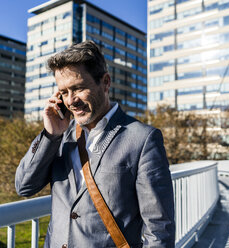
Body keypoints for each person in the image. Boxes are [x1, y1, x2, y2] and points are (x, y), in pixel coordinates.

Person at [15, 40, 175, 248]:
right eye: (64, 92)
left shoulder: (143, 139)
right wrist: (50, 135)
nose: (71, 101)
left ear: (105, 82)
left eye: (79, 88)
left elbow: (159, 228)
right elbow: (24, 186)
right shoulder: (60, 135)